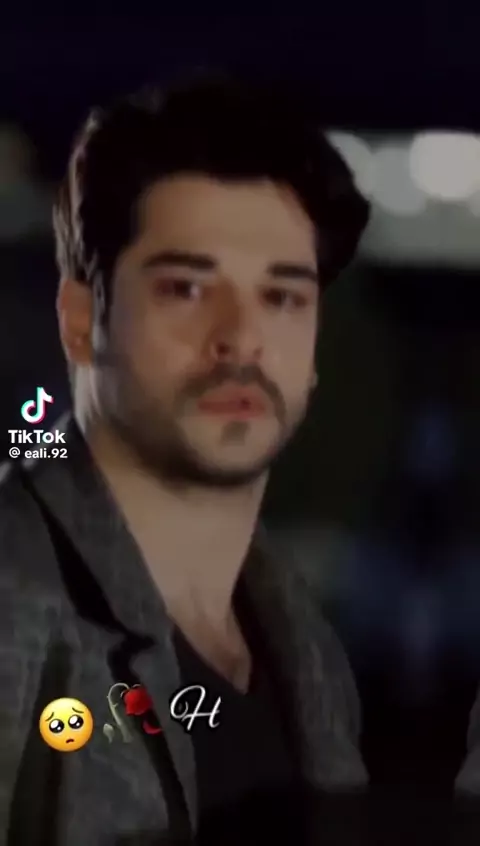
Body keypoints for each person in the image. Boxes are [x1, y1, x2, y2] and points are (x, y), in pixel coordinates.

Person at [0, 76, 370, 846]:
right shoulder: (16, 601)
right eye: (188, 288)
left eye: (283, 296)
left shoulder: (307, 653)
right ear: (80, 320)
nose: (241, 338)